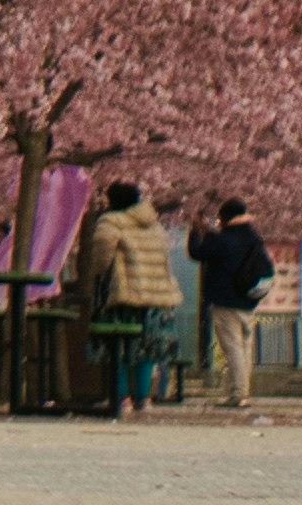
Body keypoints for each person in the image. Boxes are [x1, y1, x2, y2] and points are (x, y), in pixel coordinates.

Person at [72, 178, 180, 417]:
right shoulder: (153, 224)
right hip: (157, 293)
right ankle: (143, 398)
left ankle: (121, 398)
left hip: (125, 292)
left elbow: (101, 256)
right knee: (148, 348)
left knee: (118, 348)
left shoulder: (110, 222)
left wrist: (101, 276)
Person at [187, 195, 274, 414]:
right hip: (248, 301)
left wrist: (197, 232)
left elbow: (197, 253)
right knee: (245, 348)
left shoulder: (224, 239)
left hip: (226, 301)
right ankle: (242, 391)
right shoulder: (253, 237)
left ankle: (238, 394)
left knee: (233, 347)